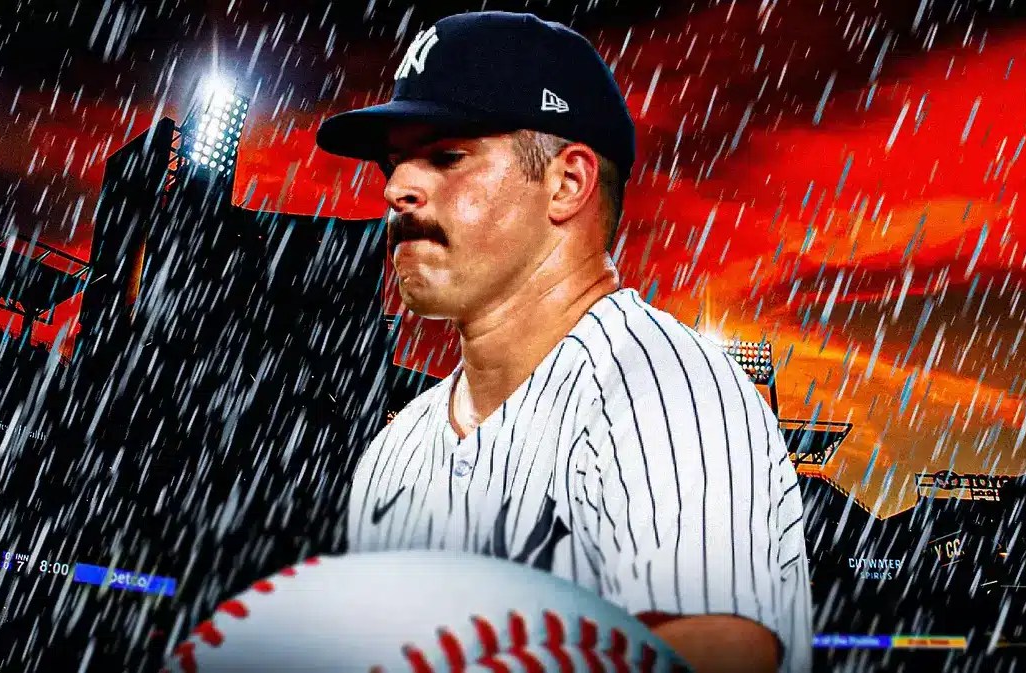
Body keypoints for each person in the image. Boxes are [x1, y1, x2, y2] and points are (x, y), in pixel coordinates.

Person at [316, 11, 812, 673]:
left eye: (445, 156)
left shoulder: (661, 393)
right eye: (394, 162)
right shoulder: (392, 456)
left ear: (568, 183)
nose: (397, 188)